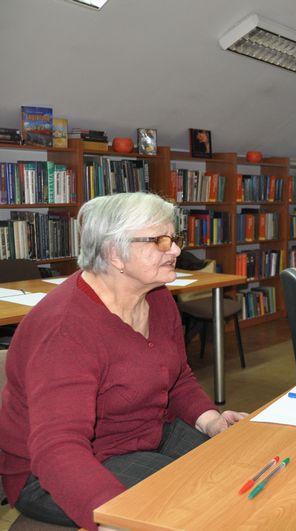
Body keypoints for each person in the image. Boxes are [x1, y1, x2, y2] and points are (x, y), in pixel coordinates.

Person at [0, 192, 246, 531]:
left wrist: (212, 422)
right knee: (197, 505)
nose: (176, 250)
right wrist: (113, 518)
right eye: (160, 241)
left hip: (145, 431)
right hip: (56, 470)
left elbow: (178, 378)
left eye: (174, 238)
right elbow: (58, 448)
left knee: (237, 467)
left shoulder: (156, 297)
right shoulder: (66, 329)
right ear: (115, 253)